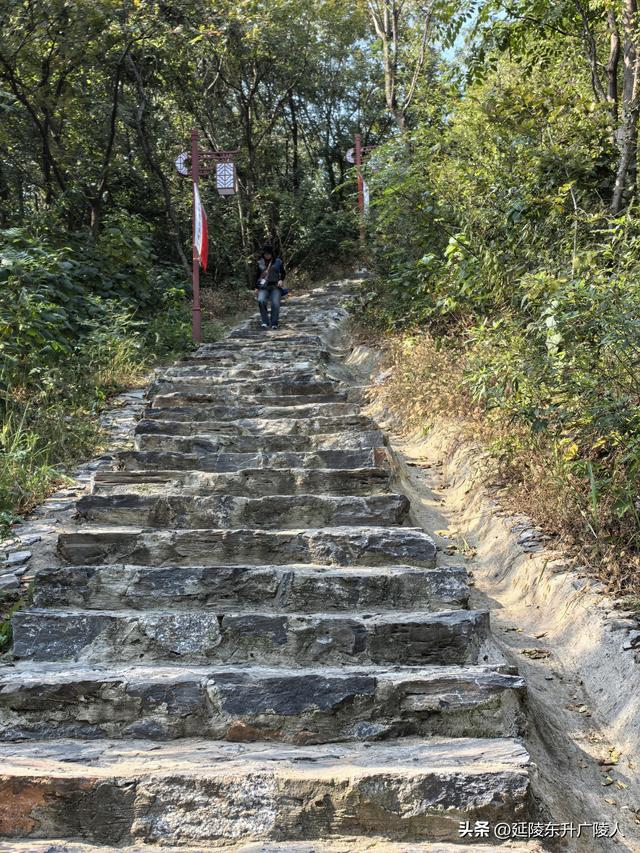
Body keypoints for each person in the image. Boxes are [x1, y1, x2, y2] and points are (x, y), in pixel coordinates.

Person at [255, 244, 286, 329]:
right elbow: (257, 275)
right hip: (263, 287)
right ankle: (265, 322)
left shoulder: (278, 261)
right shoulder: (260, 262)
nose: (267, 255)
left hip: (275, 286)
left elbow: (283, 272)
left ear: (272, 253)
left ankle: (274, 323)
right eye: (265, 253)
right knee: (261, 301)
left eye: (269, 253)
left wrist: (281, 280)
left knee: (275, 303)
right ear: (263, 254)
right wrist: (255, 287)